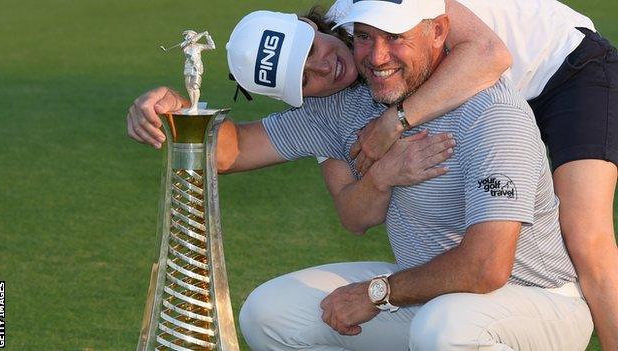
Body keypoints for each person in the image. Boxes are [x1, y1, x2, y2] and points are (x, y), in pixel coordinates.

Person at [234, 1, 594, 349]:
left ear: (437, 32)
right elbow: (237, 147)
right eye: (364, 37)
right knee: (267, 315)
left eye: (394, 36)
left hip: (534, 301)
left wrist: (381, 293)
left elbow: (486, 267)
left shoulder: (494, 114)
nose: (377, 57)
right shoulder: (349, 102)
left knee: (443, 330)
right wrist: (181, 113)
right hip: (426, 294)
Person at [180, 30, 215, 113]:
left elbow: (212, 46)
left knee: (195, 86)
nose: (186, 37)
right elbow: (191, 41)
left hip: (196, 68)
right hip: (188, 68)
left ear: (194, 35)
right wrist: (202, 33)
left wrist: (207, 37)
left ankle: (194, 106)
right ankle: (193, 104)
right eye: (186, 36)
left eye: (188, 35)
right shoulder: (184, 45)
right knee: (188, 87)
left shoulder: (198, 46)